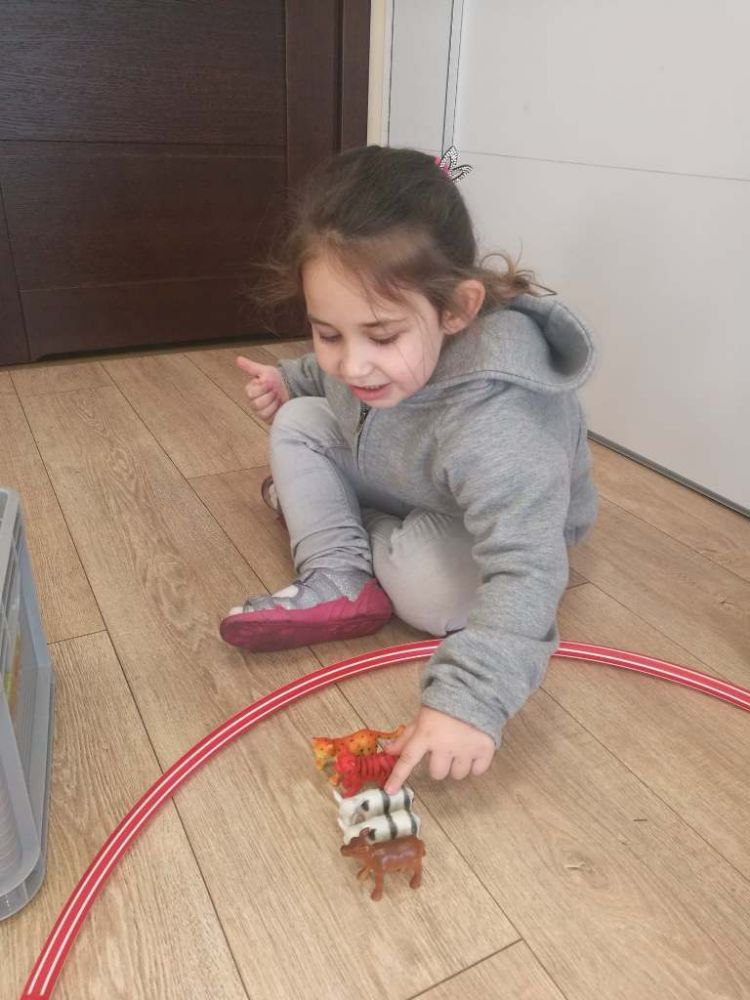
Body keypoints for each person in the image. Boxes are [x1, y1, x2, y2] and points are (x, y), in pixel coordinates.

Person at [220, 145, 597, 794]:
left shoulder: (499, 420)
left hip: (488, 528)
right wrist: (291, 379)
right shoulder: (368, 360)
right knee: (299, 422)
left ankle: (336, 517)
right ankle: (339, 572)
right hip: (406, 478)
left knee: (432, 592)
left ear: (456, 310)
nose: (352, 364)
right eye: (328, 334)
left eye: (382, 336)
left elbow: (528, 568)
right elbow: (332, 380)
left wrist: (468, 702)